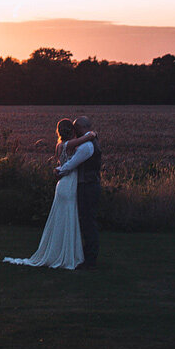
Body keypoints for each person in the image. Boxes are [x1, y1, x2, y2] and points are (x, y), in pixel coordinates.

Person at [3, 118, 96, 269]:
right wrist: (92, 133)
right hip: (69, 183)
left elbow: (60, 164)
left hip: (62, 184)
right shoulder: (69, 145)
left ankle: (61, 250)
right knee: (68, 217)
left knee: (62, 217)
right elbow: (88, 138)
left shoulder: (59, 146)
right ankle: (67, 254)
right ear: (72, 131)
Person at [55, 114, 101, 269]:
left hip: (85, 185)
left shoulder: (85, 145)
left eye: (77, 128)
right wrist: (91, 134)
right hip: (78, 184)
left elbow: (71, 164)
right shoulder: (83, 142)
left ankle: (89, 259)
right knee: (80, 221)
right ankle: (77, 255)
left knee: (87, 222)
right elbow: (72, 163)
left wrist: (59, 170)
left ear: (81, 128)